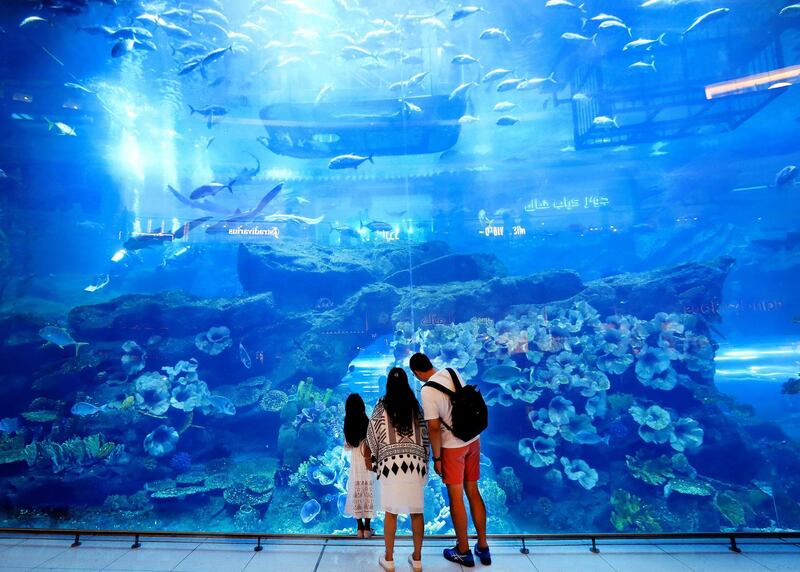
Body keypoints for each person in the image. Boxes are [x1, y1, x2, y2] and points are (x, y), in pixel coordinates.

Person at [411, 352, 491, 567]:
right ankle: (483, 546)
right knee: (473, 491)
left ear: (417, 373)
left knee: (456, 498)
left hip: (452, 447)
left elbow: (434, 427)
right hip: (473, 440)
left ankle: (463, 550)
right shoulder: (451, 371)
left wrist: (436, 458)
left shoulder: (427, 390)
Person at [366, 368, 429, 572]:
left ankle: (389, 559)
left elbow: (372, 434)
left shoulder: (380, 405)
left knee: (391, 513)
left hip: (390, 466)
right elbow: (425, 435)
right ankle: (417, 560)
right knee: (417, 513)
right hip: (416, 464)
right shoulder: (416, 406)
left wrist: (376, 458)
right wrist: (424, 460)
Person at [343, 393, 376, 538]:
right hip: (367, 460)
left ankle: (359, 529)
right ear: (362, 405)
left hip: (355, 461)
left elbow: (347, 445)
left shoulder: (347, 421)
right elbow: (373, 442)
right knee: (368, 491)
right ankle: (368, 529)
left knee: (356, 490)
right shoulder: (366, 420)